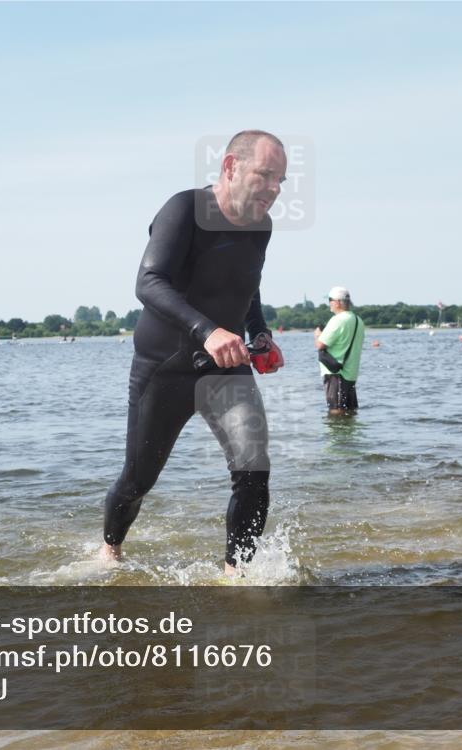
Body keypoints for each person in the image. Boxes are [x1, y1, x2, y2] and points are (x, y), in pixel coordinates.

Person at [100, 130, 287, 576]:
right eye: (265, 175)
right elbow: (148, 282)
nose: (275, 189)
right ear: (230, 167)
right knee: (138, 479)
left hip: (226, 366)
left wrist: (257, 332)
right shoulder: (185, 209)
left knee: (254, 471)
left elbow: (248, 283)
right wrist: (207, 331)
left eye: (281, 179)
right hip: (165, 367)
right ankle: (110, 551)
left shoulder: (262, 225)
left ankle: (234, 575)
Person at [313, 286, 365, 415]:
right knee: (350, 412)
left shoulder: (338, 320)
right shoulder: (358, 320)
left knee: (336, 411)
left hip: (336, 374)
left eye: (330, 300)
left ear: (337, 302)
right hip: (351, 373)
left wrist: (318, 335)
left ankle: (336, 435)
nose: (329, 304)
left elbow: (320, 345)